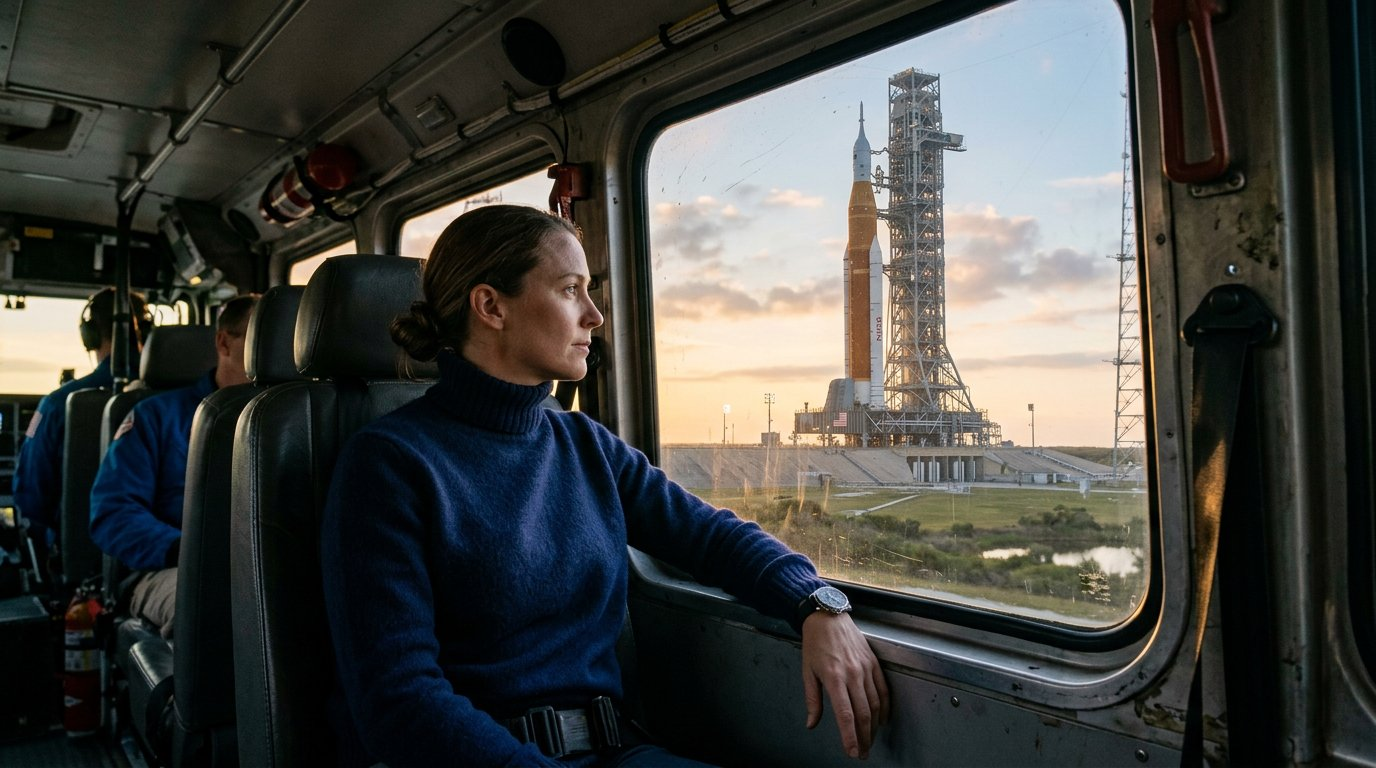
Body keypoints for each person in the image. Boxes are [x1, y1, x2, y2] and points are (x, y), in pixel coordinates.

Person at [320, 205, 890, 768]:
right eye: (571, 290)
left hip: (616, 750)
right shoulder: (389, 465)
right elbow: (399, 699)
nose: (594, 315)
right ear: (491, 306)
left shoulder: (584, 445)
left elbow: (709, 536)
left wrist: (816, 603)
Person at [89, 293, 259, 637]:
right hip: (169, 566)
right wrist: (186, 549)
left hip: (265, 566)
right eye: (262, 339)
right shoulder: (155, 417)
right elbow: (113, 511)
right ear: (224, 343)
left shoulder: (299, 422)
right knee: (213, 605)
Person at [13, 287, 150, 577]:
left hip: (80, 563)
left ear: (90, 335)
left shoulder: (55, 404)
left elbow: (30, 495)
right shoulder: (185, 402)